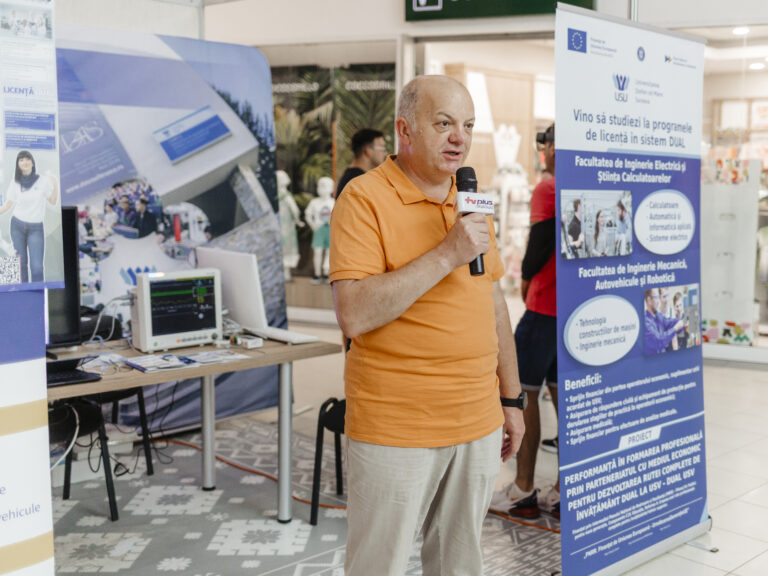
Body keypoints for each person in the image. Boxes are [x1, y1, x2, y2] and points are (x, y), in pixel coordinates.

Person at [330, 75, 525, 576]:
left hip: (478, 420)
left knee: (460, 563)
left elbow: (494, 303)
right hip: (397, 424)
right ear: (405, 130)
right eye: (443, 123)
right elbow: (353, 313)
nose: (459, 137)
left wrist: (511, 400)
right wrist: (446, 254)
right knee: (379, 566)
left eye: (468, 125)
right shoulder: (362, 199)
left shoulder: (471, 198)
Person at [490, 123, 560, 520]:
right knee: (567, 400)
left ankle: (522, 487)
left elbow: (538, 246)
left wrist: (527, 278)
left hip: (544, 307)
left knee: (524, 394)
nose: (543, 152)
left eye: (545, 145)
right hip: (572, 315)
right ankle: (563, 491)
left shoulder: (548, 188)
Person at [0, 150, 58, 283]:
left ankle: (38, 293)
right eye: (21, 160)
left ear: (32, 162)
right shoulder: (15, 182)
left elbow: (53, 201)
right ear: (18, 164)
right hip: (17, 226)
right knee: (20, 265)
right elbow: (8, 205)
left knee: (37, 268)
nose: (24, 162)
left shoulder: (42, 181)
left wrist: (54, 183)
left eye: (27, 159)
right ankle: (23, 292)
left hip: (35, 228)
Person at [335, 128, 387, 198]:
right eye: (382, 148)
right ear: (368, 151)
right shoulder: (358, 182)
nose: (385, 153)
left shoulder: (351, 178)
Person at [305, 176, 334, 284]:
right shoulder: (314, 202)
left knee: (329, 252)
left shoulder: (333, 202)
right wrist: (313, 225)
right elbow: (308, 214)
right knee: (317, 252)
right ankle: (317, 275)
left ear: (331, 188)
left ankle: (326, 273)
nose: (322, 188)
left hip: (330, 230)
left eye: (325, 186)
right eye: (320, 186)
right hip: (318, 230)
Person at [276, 170, 304, 281]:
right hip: (286, 224)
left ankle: (284, 272)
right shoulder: (286, 195)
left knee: (283, 247)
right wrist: (297, 219)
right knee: (287, 247)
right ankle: (285, 272)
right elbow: (295, 210)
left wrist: (296, 220)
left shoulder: (280, 195)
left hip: (282, 223)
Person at [644, 288, 684, 354]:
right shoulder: (646, 323)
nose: (658, 301)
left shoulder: (658, 316)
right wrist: (675, 328)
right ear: (649, 300)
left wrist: (682, 320)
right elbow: (658, 341)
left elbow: (669, 322)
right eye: (656, 297)